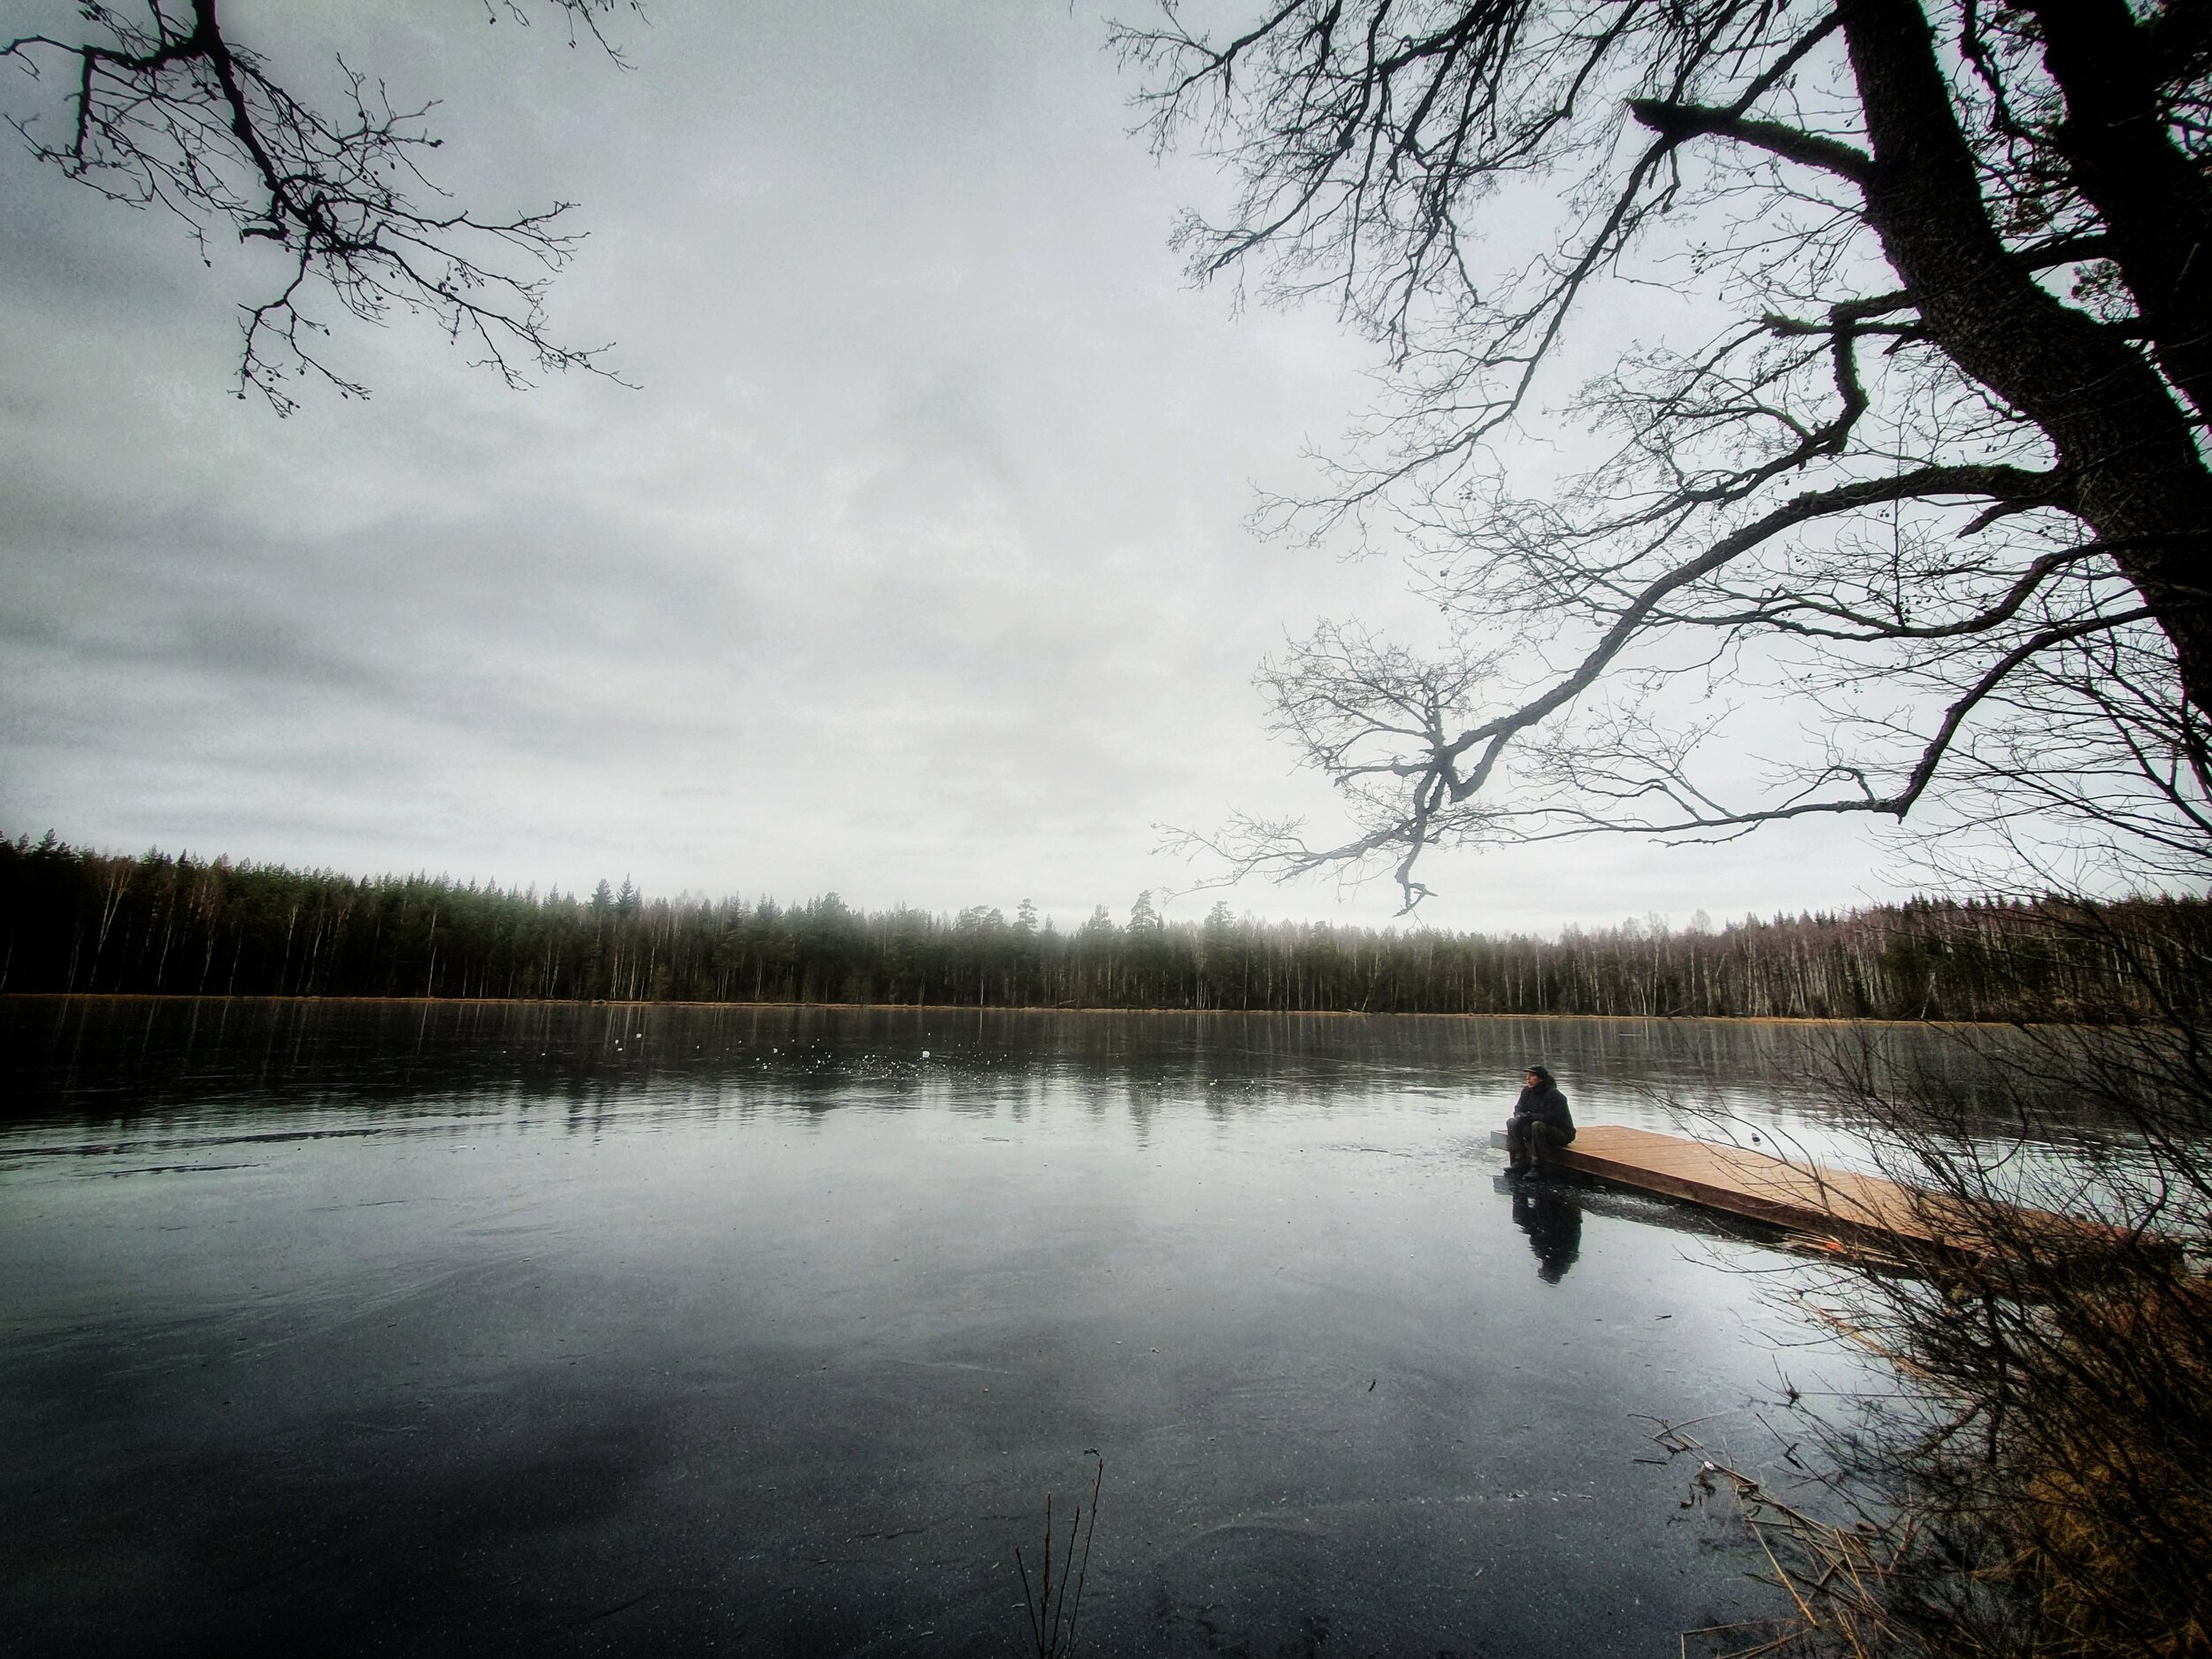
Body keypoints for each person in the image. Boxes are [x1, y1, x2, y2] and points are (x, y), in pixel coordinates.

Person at [1505, 1064, 1574, 1175]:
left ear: (1541, 1079)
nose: (1528, 1079)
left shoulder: (1554, 1095)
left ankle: (1538, 1166)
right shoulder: (1526, 1091)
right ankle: (1520, 1159)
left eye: (1532, 1076)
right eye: (1527, 1076)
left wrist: (1529, 1116)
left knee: (1537, 1125)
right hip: (1536, 1128)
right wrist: (1520, 1116)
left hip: (1561, 1132)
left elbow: (1552, 1118)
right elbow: (1518, 1108)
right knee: (1512, 1122)